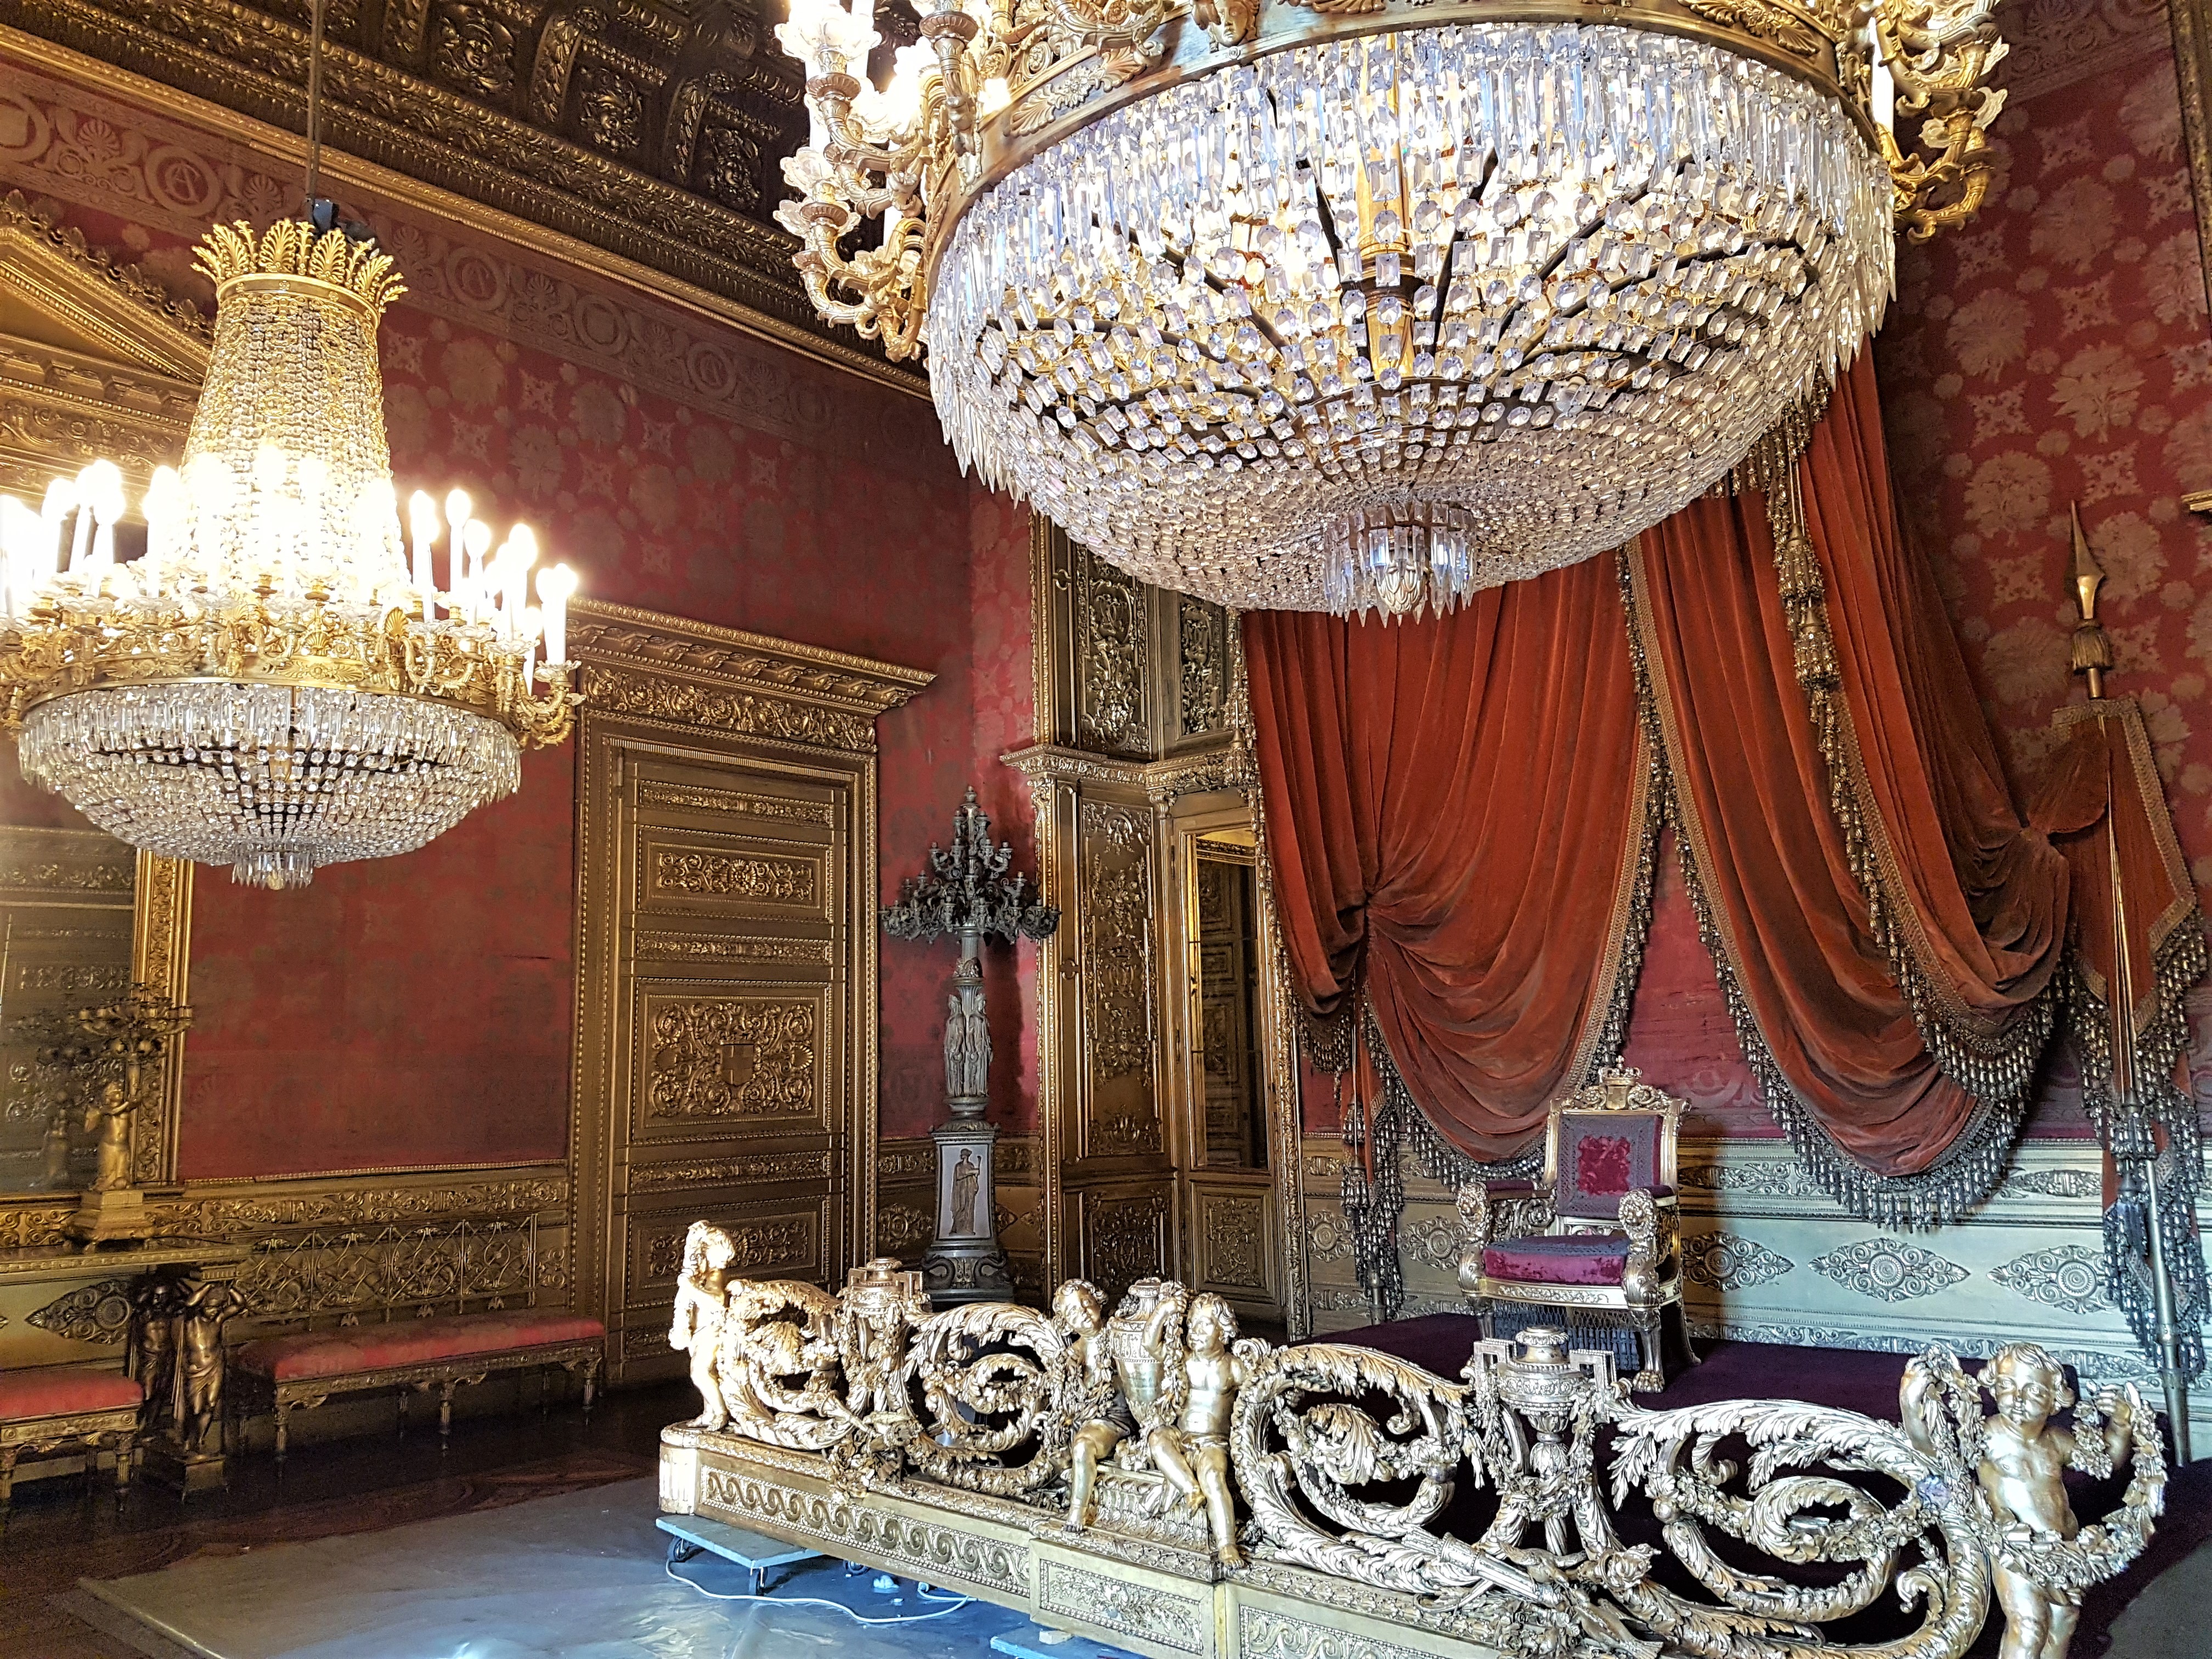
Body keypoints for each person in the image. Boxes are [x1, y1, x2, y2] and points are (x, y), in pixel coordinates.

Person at [669, 1221, 737, 1430]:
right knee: (709, 1372)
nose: (725, 1262)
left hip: (713, 1329)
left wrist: (690, 1287)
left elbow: (717, 1301)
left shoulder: (715, 1275)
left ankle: (720, 1412)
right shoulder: (702, 1274)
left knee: (699, 1372)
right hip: (700, 1331)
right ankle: (709, 1413)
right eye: (722, 1256)